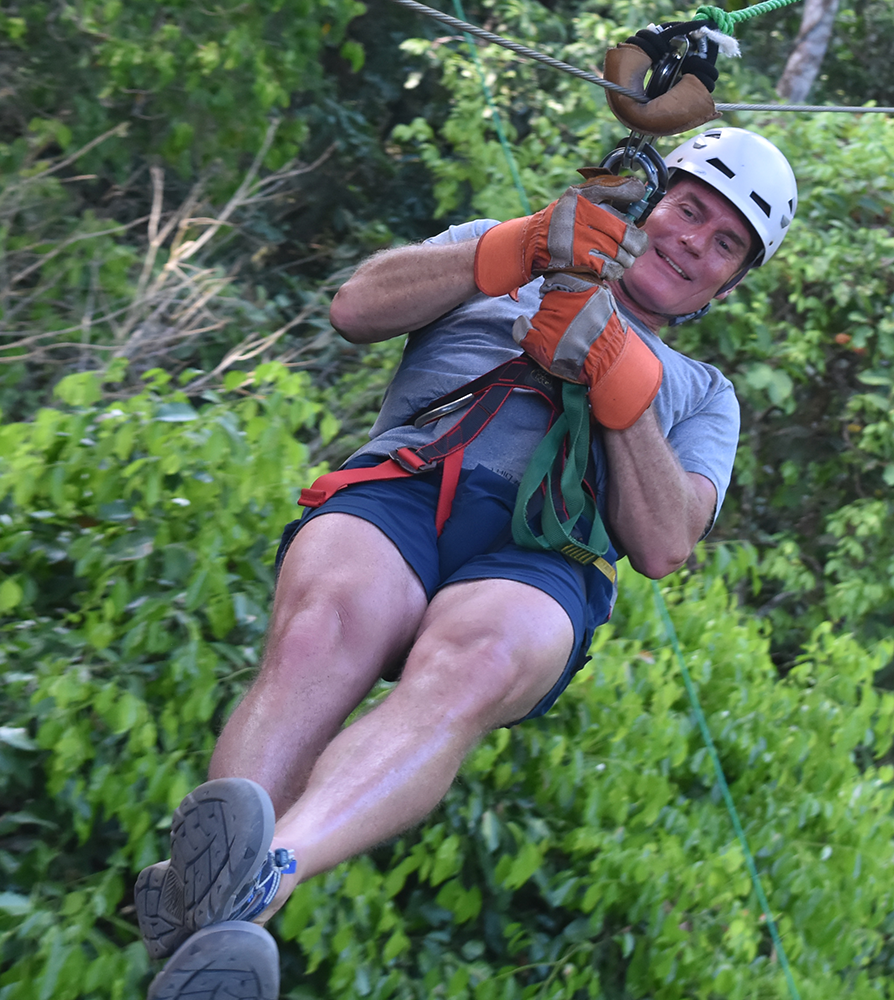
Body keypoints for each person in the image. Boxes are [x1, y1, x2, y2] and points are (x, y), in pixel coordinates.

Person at [134, 127, 798, 999]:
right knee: (327, 624)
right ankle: (215, 907)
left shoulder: (704, 395)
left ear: (730, 283)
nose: (692, 242)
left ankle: (252, 883)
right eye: (689, 209)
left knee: (475, 664)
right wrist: (523, 246)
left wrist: (618, 379)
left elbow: (668, 542)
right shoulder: (508, 250)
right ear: (650, 199)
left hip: (544, 556)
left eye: (724, 245)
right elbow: (355, 307)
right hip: (410, 488)